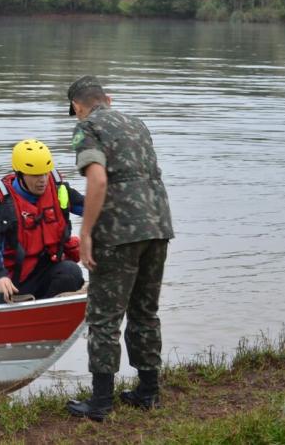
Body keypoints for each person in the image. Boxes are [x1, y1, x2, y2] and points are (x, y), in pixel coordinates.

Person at [64, 76, 174, 422]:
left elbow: (97, 179)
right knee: (145, 311)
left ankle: (100, 403)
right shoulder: (137, 123)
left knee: (104, 318)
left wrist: (85, 233)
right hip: (158, 224)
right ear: (108, 99)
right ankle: (148, 392)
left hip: (119, 231)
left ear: (77, 107)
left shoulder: (87, 127)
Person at [0, 139, 85, 304]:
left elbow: (90, 208)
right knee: (0, 303)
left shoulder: (58, 188)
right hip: (17, 280)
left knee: (71, 272)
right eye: (36, 175)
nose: (43, 180)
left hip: (49, 270)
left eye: (45, 173)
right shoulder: (3, 203)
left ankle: (48, 311)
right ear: (20, 174)